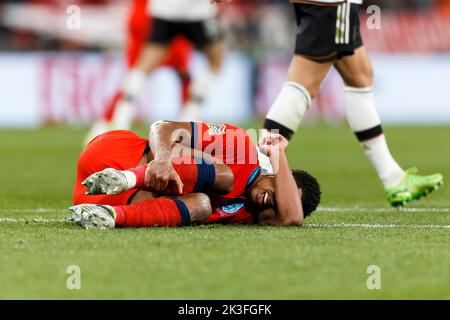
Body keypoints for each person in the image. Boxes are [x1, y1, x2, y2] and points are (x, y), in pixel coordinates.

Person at [212, 0, 443, 206]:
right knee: (303, 83)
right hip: (331, 4)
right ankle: (253, 175)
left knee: (360, 76)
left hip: (334, 4)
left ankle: (394, 178)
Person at [69, 121, 321, 229]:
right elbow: (163, 127)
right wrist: (162, 161)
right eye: (278, 196)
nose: (270, 202)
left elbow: (291, 218)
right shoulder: (240, 146)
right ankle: (129, 177)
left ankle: (110, 218)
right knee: (224, 176)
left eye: (275, 209)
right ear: (278, 175)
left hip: (96, 200)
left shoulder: (248, 214)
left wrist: (280, 155)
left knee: (201, 205)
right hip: (116, 156)